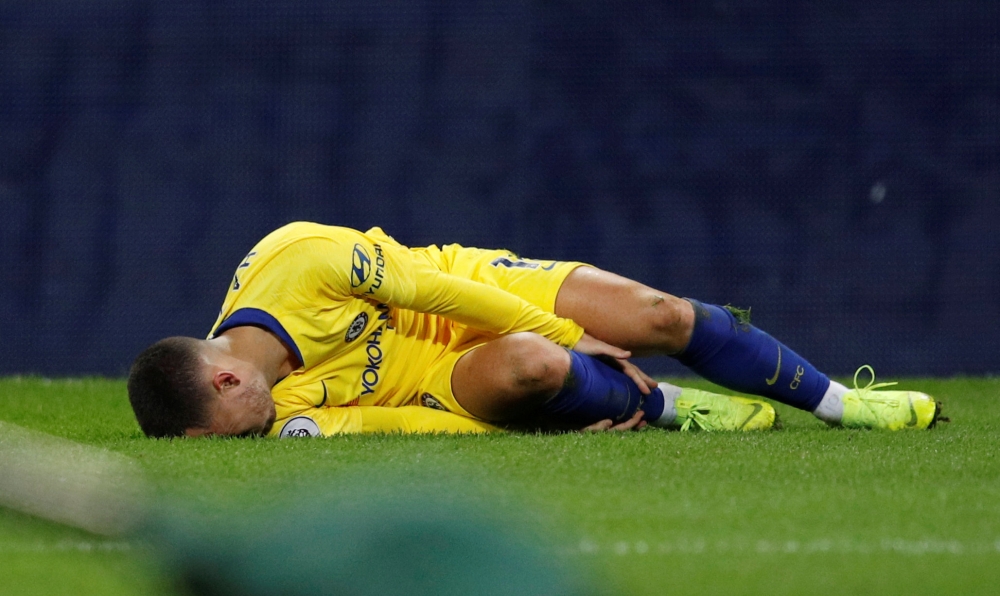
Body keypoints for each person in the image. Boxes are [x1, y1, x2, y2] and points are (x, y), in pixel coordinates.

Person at [127, 222, 942, 439]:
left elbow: (436, 290)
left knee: (661, 316)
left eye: (233, 428)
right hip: (440, 378)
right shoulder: (282, 416)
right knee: (532, 367)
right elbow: (394, 421)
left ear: (225, 379)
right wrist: (507, 421)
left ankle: (840, 402)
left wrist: (564, 327)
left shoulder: (296, 260)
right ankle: (667, 407)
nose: (253, 437)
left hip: (470, 288)